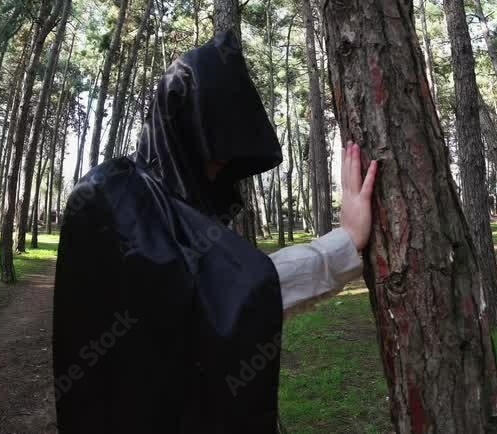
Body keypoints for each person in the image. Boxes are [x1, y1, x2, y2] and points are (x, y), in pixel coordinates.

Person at [52, 31, 378, 433]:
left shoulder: (150, 199)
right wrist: (343, 243)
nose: (221, 169)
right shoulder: (118, 196)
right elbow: (226, 294)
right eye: (216, 151)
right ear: (185, 133)